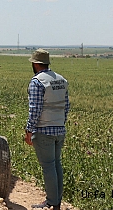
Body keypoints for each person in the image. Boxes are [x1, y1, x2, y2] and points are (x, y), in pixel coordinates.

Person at [24, 48, 69, 210]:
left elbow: (35, 109)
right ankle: (56, 201)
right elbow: (66, 106)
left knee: (48, 166)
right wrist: (60, 123)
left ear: (36, 64)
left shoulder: (37, 82)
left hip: (44, 130)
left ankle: (52, 202)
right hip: (59, 129)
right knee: (56, 165)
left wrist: (29, 130)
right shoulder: (61, 80)